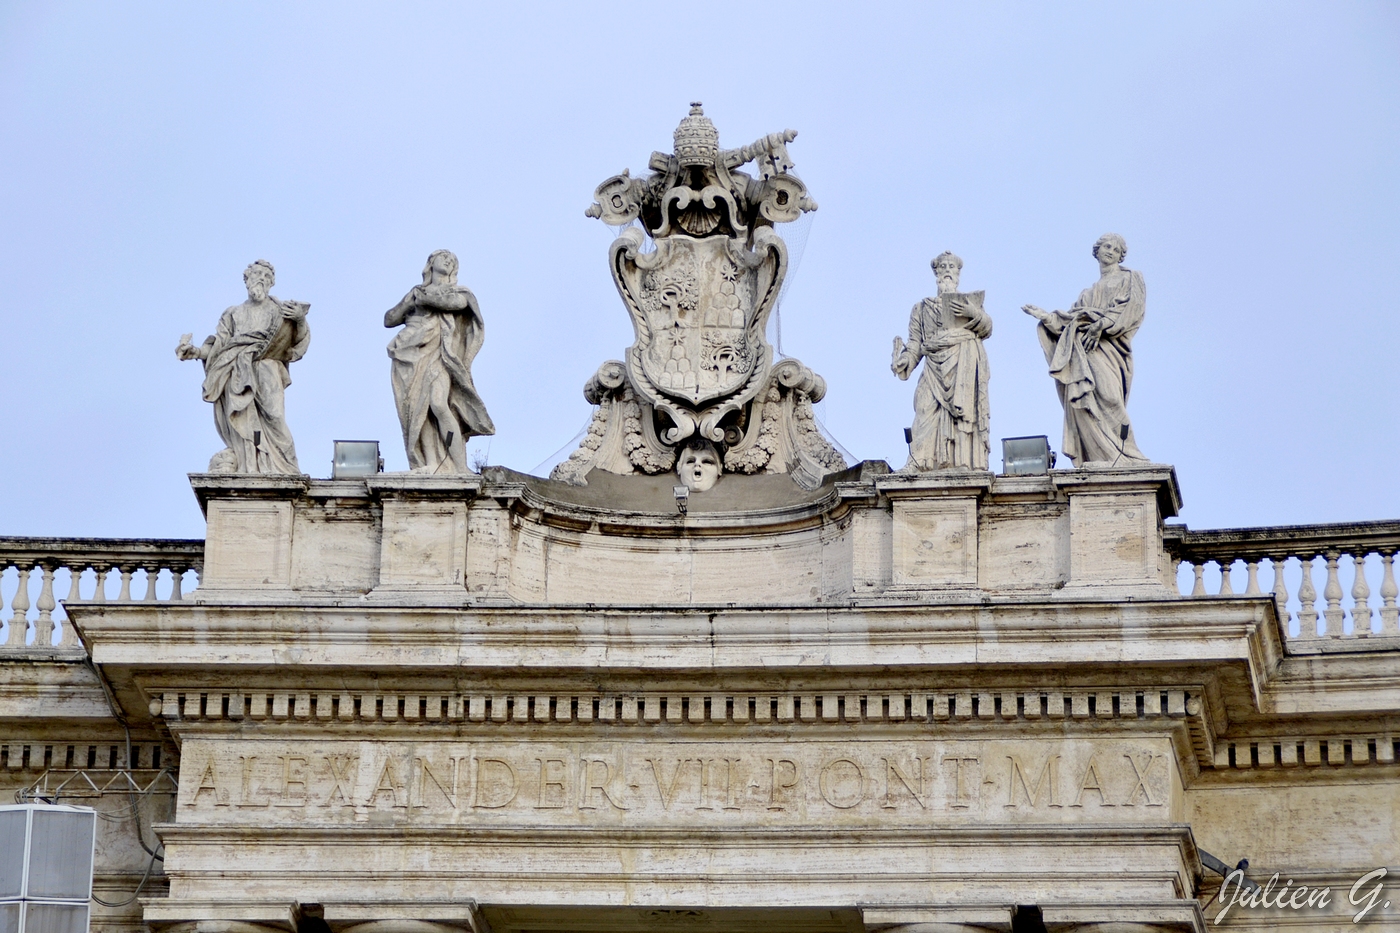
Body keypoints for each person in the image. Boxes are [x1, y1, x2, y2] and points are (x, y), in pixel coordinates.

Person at [1022, 233, 1148, 467]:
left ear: (1122, 255)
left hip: (1110, 350)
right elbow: (1068, 324)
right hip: (1084, 352)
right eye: (1106, 246)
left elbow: (1133, 310)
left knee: (1111, 398)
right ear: (1097, 251)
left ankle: (1127, 454)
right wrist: (1047, 317)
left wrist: (1101, 324)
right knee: (1084, 399)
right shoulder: (1087, 294)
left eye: (1115, 248)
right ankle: (1097, 456)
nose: (1110, 251)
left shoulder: (1131, 278)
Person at [176, 259, 309, 473]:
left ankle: (284, 468)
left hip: (268, 368)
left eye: (267, 276)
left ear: (272, 283)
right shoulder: (232, 313)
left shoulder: (280, 310)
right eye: (257, 274)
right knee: (247, 422)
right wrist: (196, 352)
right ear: (247, 279)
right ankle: (250, 467)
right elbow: (220, 347)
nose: (262, 279)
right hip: (237, 371)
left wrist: (300, 320)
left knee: (274, 417)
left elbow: (297, 343)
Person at [384, 250, 495, 473]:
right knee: (419, 411)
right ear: (430, 263)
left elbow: (455, 303)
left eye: (452, 259)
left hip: (440, 356)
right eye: (442, 256)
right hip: (410, 355)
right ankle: (432, 462)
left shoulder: (458, 292)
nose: (448, 259)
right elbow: (389, 319)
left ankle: (460, 467)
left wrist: (422, 299)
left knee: (437, 403)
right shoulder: (416, 292)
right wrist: (410, 302)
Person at [891, 252, 992, 470]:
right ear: (936, 273)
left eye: (952, 267)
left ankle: (963, 461)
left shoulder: (969, 303)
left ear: (958, 273)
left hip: (962, 364)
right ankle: (919, 461)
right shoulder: (921, 307)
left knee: (963, 415)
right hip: (933, 367)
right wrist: (906, 359)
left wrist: (971, 312)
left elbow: (987, 328)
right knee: (925, 407)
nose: (947, 270)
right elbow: (915, 342)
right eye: (943, 267)